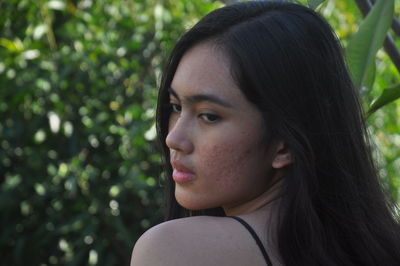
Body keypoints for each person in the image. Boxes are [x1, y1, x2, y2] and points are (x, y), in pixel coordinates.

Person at [131, 1, 400, 265]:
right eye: (176, 106)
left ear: (284, 145)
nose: (173, 139)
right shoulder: (381, 247)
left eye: (209, 116)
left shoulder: (173, 250)